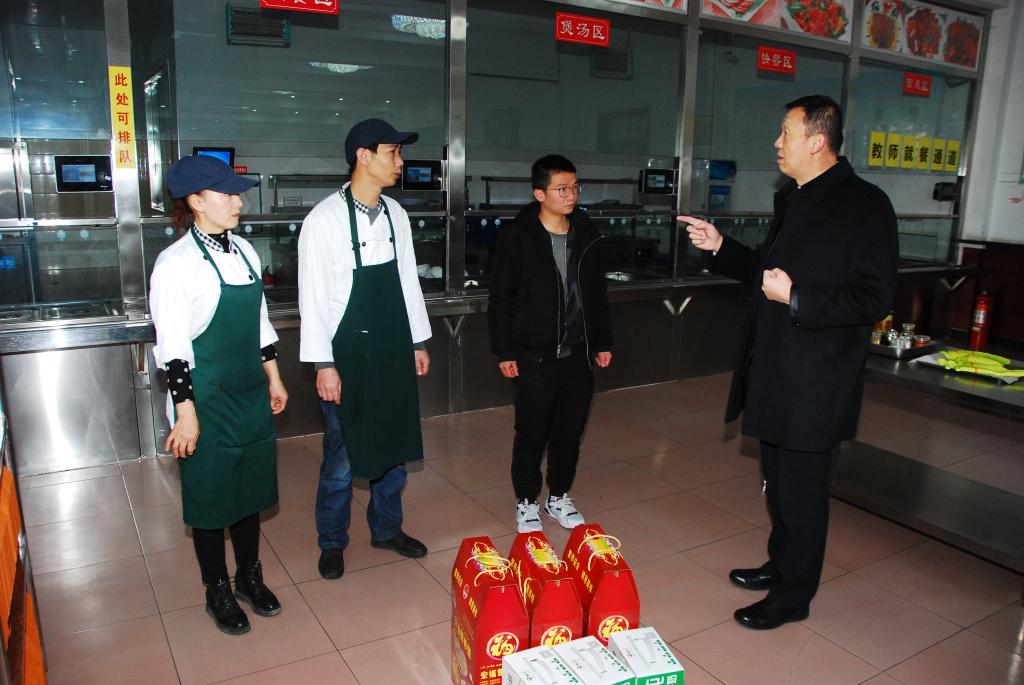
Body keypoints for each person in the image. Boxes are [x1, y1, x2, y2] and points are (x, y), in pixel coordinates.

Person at [680, 95, 898, 630]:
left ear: (817, 141)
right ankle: (781, 565)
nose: (777, 143)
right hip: (776, 367)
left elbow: (873, 298)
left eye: (786, 133)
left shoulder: (865, 205)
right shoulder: (794, 198)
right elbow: (766, 271)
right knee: (776, 483)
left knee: (802, 493)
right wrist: (721, 246)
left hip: (817, 379)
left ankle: (794, 595)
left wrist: (798, 297)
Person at [150, 155, 289, 635]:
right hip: (203, 397)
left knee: (249, 489)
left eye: (237, 193)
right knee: (210, 497)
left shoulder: (245, 251)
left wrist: (274, 378)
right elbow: (173, 349)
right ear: (195, 201)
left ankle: (249, 576)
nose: (238, 202)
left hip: (248, 391)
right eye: (226, 194)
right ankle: (217, 589)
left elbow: (259, 324)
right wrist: (185, 414)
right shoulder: (175, 264)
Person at [298, 118, 431, 580]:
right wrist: (324, 364)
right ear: (363, 156)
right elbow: (313, 298)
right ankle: (332, 541)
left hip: (392, 346)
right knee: (342, 455)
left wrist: (416, 340)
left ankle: (387, 528)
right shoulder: (324, 220)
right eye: (392, 152)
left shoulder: (396, 214)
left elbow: (408, 281)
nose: (400, 162)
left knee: (394, 444)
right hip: (347, 353)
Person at [488, 154, 613, 534]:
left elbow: (596, 294)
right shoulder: (517, 237)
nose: (571, 195)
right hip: (534, 356)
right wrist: (505, 350)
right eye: (561, 189)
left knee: (569, 432)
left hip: (577, 354)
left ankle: (558, 495)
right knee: (532, 432)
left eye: (574, 187)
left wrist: (602, 341)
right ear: (539, 193)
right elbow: (501, 298)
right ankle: (526, 500)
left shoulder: (586, 233)